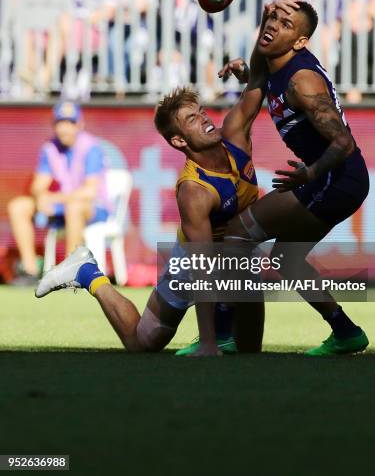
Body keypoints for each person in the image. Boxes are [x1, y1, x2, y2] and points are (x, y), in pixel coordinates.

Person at [35, 86, 265, 356]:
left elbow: (260, 83)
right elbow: (202, 266)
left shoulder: (236, 140)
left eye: (201, 112)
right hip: (192, 264)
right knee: (142, 343)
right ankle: (87, 272)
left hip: (233, 258)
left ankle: (224, 328)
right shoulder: (194, 190)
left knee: (251, 349)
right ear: (179, 141)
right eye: (192, 119)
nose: (204, 118)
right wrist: (208, 343)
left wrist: (247, 76)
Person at [216, 0, 370, 356]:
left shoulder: (302, 81)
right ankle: (346, 332)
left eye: (285, 24)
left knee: (238, 234)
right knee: (286, 258)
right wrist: (245, 72)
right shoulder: (275, 65)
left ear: (301, 41)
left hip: (336, 176)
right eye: (272, 18)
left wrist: (310, 172)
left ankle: (224, 334)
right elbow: (263, 65)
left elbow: (343, 142)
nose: (272, 25)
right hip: (337, 179)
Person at [8, 101, 110, 286]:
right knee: (18, 206)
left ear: (80, 124)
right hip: (63, 205)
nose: (65, 128)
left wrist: (52, 198)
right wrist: (40, 197)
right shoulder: (50, 148)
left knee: (75, 207)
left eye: (70, 122)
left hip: (93, 207)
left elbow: (89, 191)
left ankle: (70, 274)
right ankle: (30, 270)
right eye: (61, 122)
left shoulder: (91, 147)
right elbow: (39, 185)